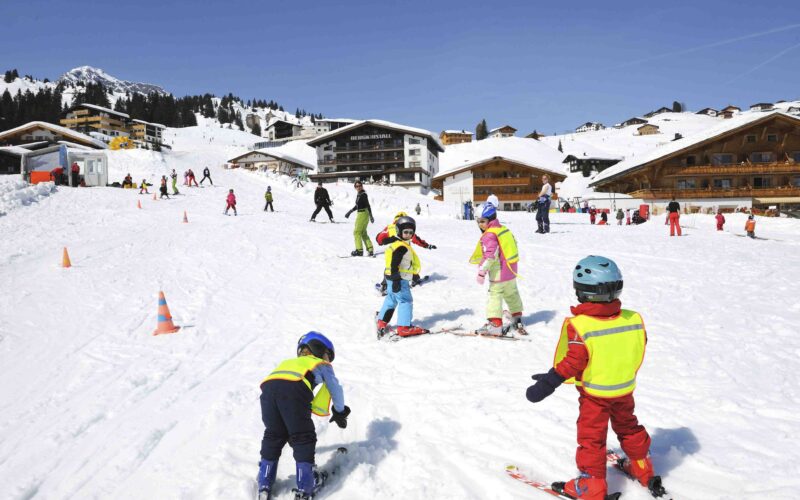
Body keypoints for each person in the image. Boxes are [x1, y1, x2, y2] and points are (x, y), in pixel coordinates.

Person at [526, 256, 661, 500]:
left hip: (595, 397)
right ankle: (642, 467)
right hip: (623, 390)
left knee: (592, 438)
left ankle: (593, 486)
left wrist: (548, 382)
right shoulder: (633, 319)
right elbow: (633, 349)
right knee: (629, 427)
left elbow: (574, 362)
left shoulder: (582, 325)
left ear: (583, 293)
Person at [256, 332, 349, 499]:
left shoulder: (289, 363)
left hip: (268, 391)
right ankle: (307, 484)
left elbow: (278, 383)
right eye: (328, 355)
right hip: (294, 390)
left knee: (274, 435)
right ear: (318, 349)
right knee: (302, 436)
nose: (328, 360)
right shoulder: (320, 364)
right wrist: (340, 411)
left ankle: (264, 482)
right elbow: (335, 388)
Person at [469, 203, 526, 335]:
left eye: (482, 221)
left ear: (491, 219)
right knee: (512, 294)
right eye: (478, 222)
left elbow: (490, 255)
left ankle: (495, 324)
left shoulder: (490, 235)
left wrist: (482, 272)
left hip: (499, 275)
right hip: (511, 272)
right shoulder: (503, 229)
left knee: (494, 296)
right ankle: (517, 316)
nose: (480, 224)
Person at [376, 216, 430, 338]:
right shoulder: (401, 247)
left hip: (391, 278)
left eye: (411, 232)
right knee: (405, 301)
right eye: (405, 232)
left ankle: (381, 321)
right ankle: (404, 327)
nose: (408, 235)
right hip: (399, 279)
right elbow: (394, 263)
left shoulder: (396, 243)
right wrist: (396, 280)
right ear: (399, 231)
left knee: (391, 299)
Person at [376, 211, 436, 294]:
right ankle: (415, 279)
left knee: (390, 268)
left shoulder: (389, 228)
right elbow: (416, 239)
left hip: (393, 252)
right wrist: (427, 246)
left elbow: (379, 239)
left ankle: (385, 285)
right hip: (405, 252)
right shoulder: (407, 227)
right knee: (409, 265)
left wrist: (384, 241)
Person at [344, 181, 374, 257]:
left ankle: (359, 250)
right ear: (355, 187)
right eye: (357, 186)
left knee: (357, 232)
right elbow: (358, 205)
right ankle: (370, 249)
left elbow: (368, 205)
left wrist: (371, 216)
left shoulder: (363, 195)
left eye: (360, 185)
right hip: (364, 213)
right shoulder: (360, 194)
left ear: (362, 186)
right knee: (363, 232)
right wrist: (350, 211)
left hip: (362, 214)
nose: (358, 187)